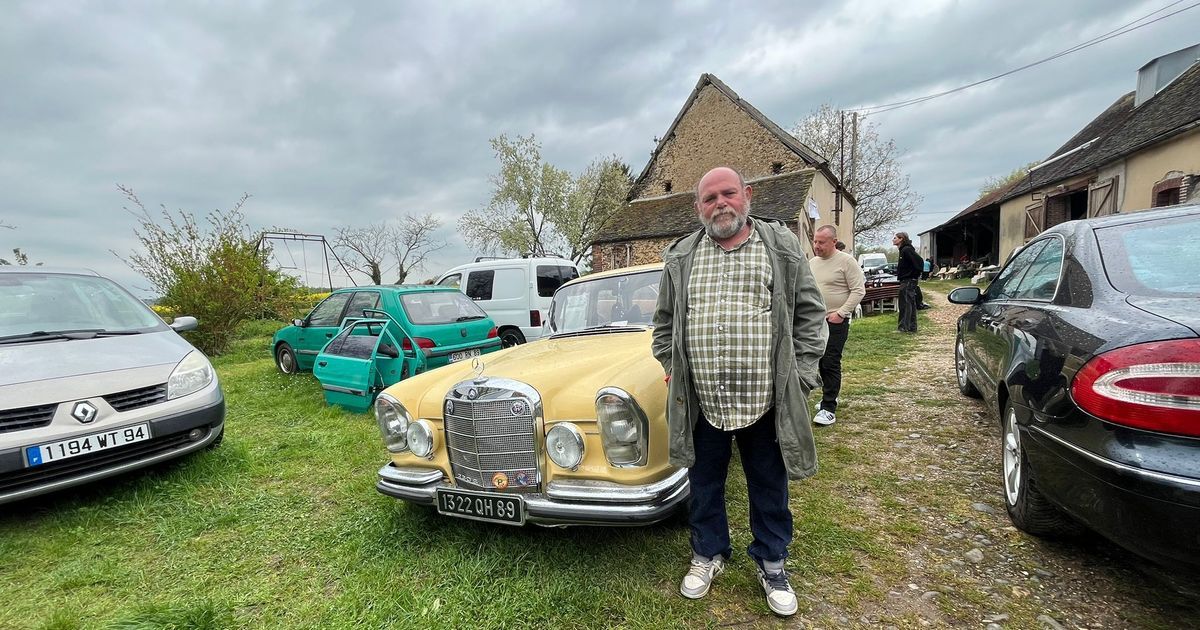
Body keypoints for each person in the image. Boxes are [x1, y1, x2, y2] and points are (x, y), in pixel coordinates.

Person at [652, 167, 827, 617]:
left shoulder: (781, 247)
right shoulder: (681, 257)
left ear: (747, 195)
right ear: (698, 208)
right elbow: (664, 326)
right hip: (703, 399)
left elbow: (809, 317)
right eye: (709, 198)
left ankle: (772, 562)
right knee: (704, 482)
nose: (720, 204)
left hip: (765, 398)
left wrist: (802, 376)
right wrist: (674, 367)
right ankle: (708, 553)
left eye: (728, 193)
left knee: (768, 481)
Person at [808, 225, 865, 427]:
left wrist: (841, 313)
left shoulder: (846, 261)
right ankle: (829, 395)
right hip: (815, 321)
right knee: (818, 361)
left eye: (821, 242)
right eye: (815, 241)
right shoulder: (812, 263)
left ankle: (828, 408)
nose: (817, 246)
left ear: (833, 241)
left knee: (831, 361)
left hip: (836, 321)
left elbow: (859, 291)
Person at [894, 232, 923, 333]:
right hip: (907, 280)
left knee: (905, 304)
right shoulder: (903, 250)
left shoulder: (907, 250)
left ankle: (903, 327)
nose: (893, 240)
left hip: (908, 280)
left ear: (901, 239)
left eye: (895, 238)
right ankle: (911, 327)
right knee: (910, 303)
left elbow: (919, 262)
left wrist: (913, 275)